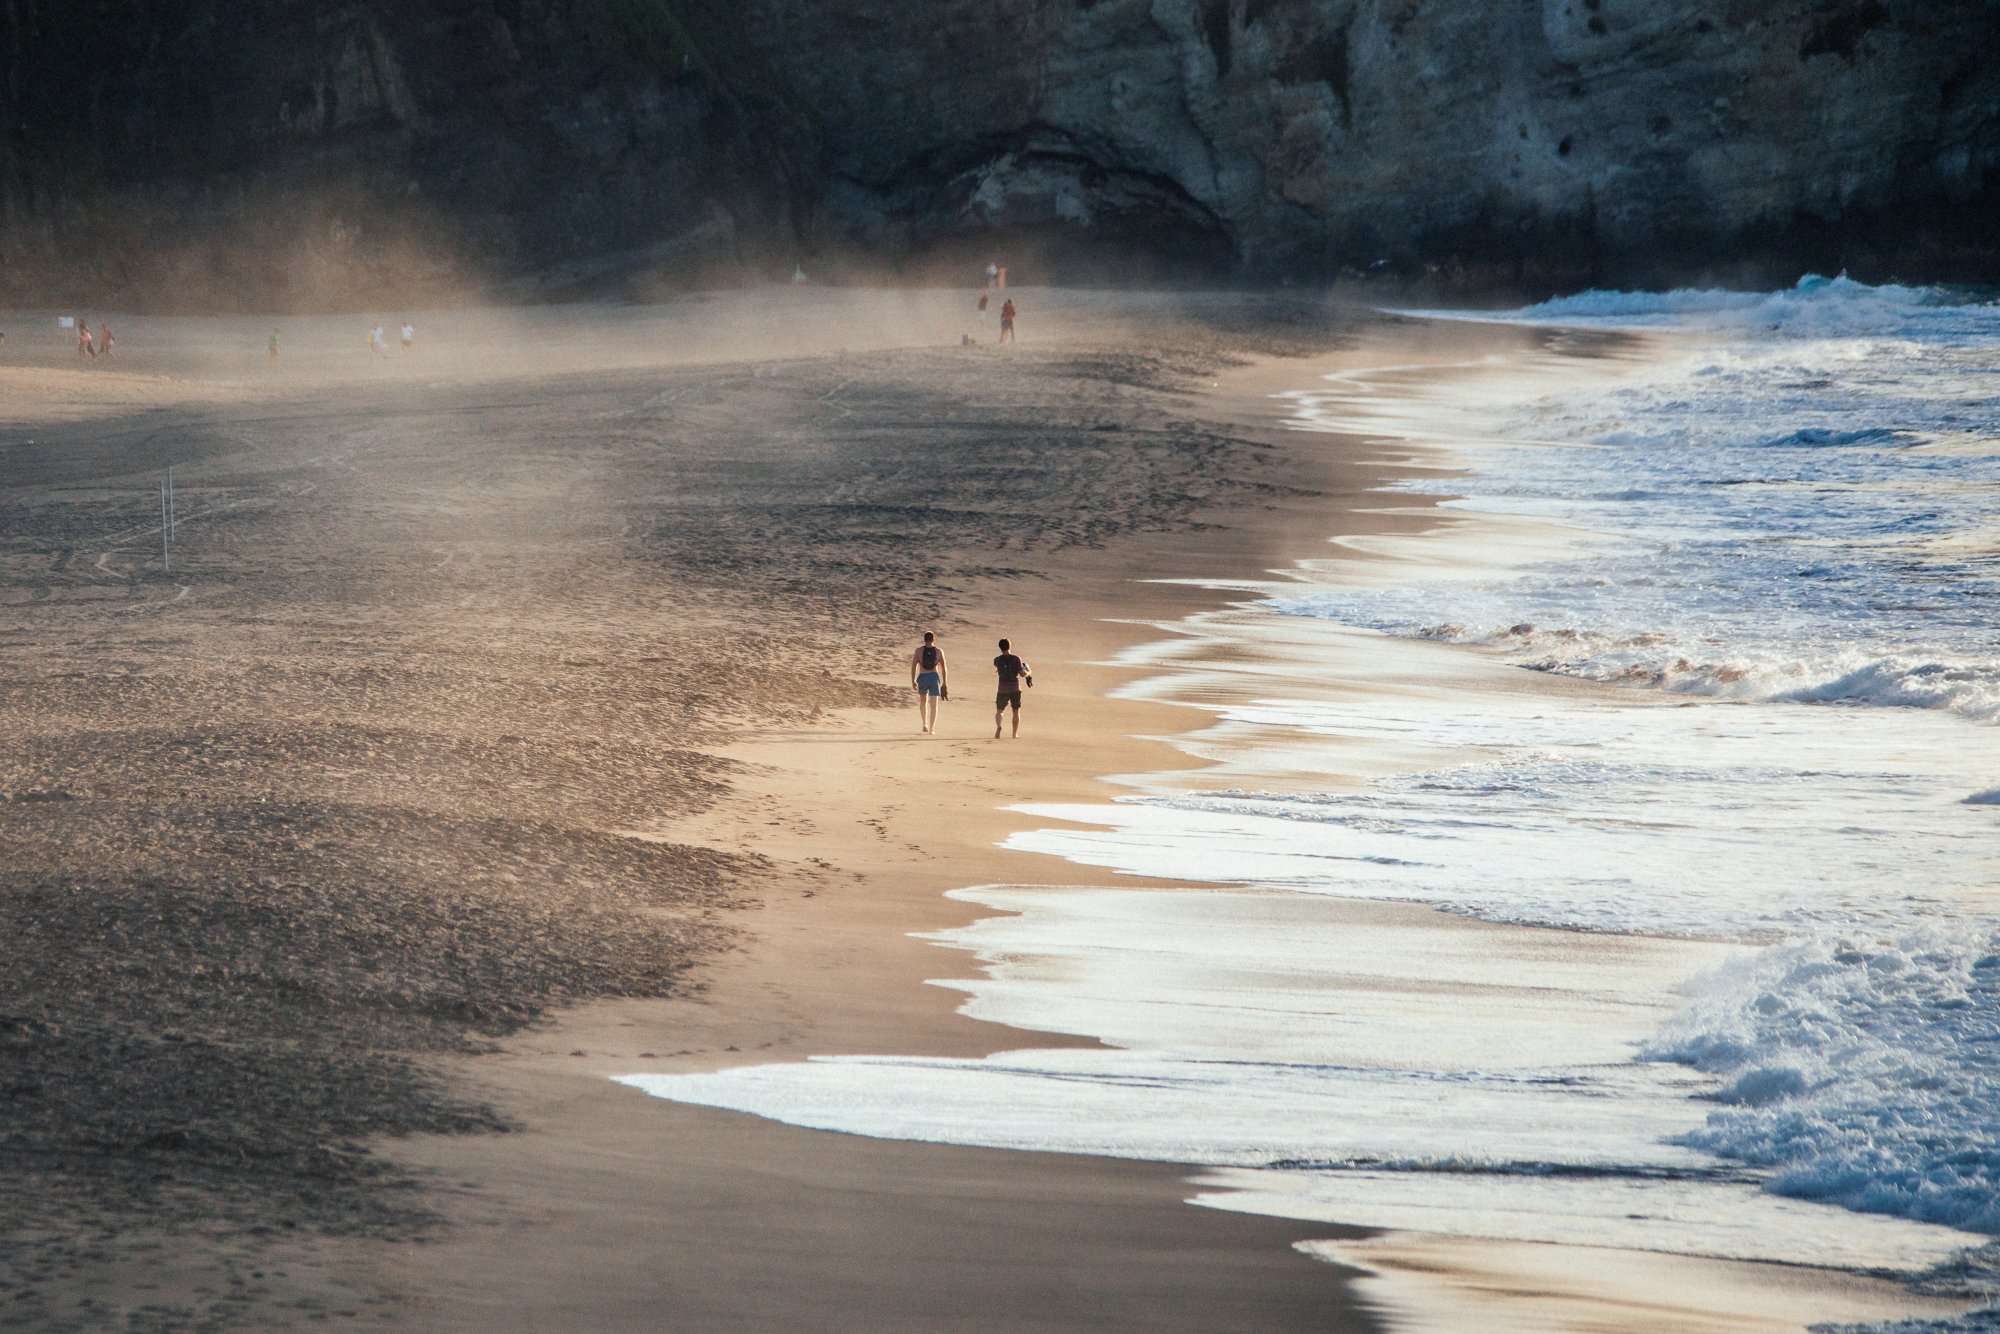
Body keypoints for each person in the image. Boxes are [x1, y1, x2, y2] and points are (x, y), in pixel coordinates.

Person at [909, 631, 949, 734]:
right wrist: (945, 683)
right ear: (933, 639)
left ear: (924, 639)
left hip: (922, 677)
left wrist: (913, 679)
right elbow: (944, 668)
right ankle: (932, 729)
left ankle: (924, 723)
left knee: (923, 702)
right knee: (934, 705)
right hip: (933, 677)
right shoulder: (939, 651)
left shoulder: (918, 651)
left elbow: (914, 666)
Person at [992, 637, 1031, 738]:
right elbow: (1022, 674)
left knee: (1000, 711)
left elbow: (998, 666)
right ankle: (1014, 733)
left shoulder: (997, 660)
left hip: (1002, 688)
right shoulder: (1016, 659)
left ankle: (999, 726)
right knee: (1016, 711)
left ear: (1000, 647)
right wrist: (1028, 672)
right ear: (1010, 646)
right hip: (1015, 688)